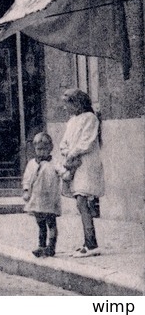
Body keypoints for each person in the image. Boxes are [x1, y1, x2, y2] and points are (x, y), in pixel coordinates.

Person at [56, 88, 104, 257]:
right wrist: (66, 150)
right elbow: (64, 142)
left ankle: (91, 244)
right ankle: (88, 241)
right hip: (75, 164)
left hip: (86, 165)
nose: (66, 109)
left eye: (67, 104)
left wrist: (72, 153)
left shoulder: (90, 118)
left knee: (82, 201)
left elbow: (87, 142)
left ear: (77, 104)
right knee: (81, 201)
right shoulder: (72, 121)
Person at [22, 131, 63, 258]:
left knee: (51, 223)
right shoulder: (31, 164)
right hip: (37, 199)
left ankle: (51, 247)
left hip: (50, 198)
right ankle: (41, 245)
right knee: (40, 224)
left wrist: (67, 173)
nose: (41, 152)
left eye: (45, 149)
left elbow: (61, 171)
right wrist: (26, 190)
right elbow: (27, 179)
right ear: (35, 149)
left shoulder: (54, 162)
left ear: (50, 148)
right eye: (39, 149)